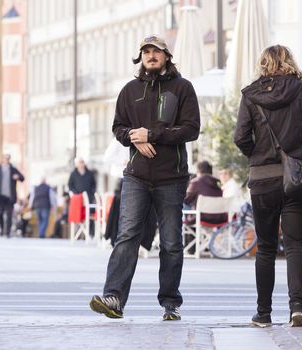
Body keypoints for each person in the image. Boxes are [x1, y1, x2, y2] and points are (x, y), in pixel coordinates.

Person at [89, 34, 200, 321]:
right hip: (137, 175)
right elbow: (118, 128)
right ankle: (113, 297)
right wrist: (133, 138)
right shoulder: (129, 90)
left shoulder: (183, 88)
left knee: (172, 242)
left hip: (171, 176)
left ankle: (170, 303)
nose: (151, 55)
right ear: (141, 57)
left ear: (166, 56)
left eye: (157, 51)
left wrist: (153, 135)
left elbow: (191, 129)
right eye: (146, 51)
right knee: (127, 236)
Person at [234, 44, 302, 328]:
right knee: (295, 244)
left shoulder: (251, 95)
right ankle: (296, 309)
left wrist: (258, 155)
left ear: (263, 64)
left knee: (265, 248)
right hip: (296, 179)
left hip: (262, 180)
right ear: (290, 62)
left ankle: (263, 313)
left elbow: (240, 137)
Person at [0, 153, 25, 238]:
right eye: (5, 158)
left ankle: (7, 233)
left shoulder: (13, 169)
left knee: (9, 215)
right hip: (0, 196)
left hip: (10, 196)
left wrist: (18, 176)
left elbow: (22, 178)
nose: (7, 160)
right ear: (3, 159)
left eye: (8, 158)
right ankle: (2, 229)